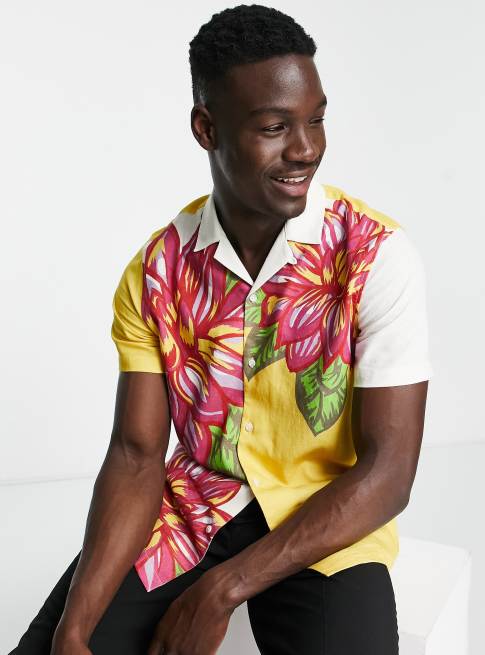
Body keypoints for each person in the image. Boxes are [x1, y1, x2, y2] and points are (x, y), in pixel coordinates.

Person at [10, 4, 433, 655]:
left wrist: (222, 590)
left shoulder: (375, 255)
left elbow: (388, 471)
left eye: (316, 119)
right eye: (274, 126)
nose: (305, 148)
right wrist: (72, 630)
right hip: (195, 507)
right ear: (206, 128)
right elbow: (135, 455)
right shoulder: (158, 269)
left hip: (326, 522)